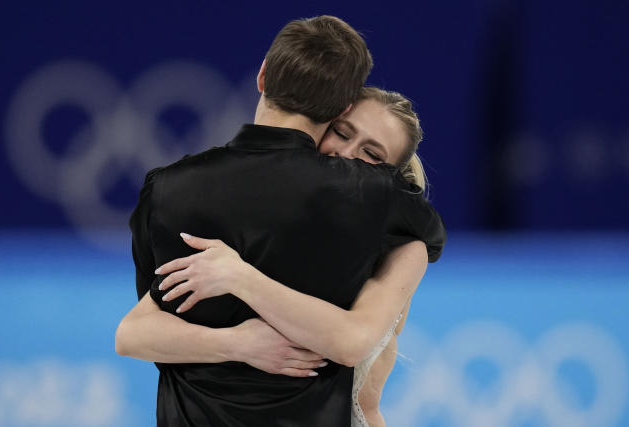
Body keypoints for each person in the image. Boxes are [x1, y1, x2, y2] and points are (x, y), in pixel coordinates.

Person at [116, 15, 445, 427]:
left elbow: (353, 346)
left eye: (372, 157)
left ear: (263, 75)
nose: (348, 158)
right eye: (344, 133)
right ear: (338, 110)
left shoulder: (167, 189)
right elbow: (136, 331)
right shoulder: (373, 202)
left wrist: (241, 279)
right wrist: (236, 343)